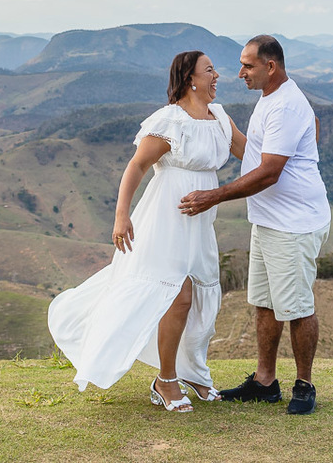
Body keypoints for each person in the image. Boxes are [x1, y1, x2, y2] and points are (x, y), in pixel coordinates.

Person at [48, 51, 245, 413]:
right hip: (166, 219)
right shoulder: (170, 121)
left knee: (201, 298)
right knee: (177, 295)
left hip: (201, 220)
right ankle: (165, 380)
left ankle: (195, 373)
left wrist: (293, 150)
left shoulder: (219, 117)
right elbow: (136, 166)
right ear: (190, 79)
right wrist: (121, 216)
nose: (217, 76)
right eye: (210, 70)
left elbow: (249, 152)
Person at [178, 34, 330, 415]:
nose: (240, 72)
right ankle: (265, 382)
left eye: (247, 65)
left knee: (296, 307)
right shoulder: (273, 99)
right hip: (268, 221)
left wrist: (212, 196)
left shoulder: (285, 106)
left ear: (270, 66)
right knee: (264, 304)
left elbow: (269, 173)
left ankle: (304, 385)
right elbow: (301, 128)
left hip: (293, 224)